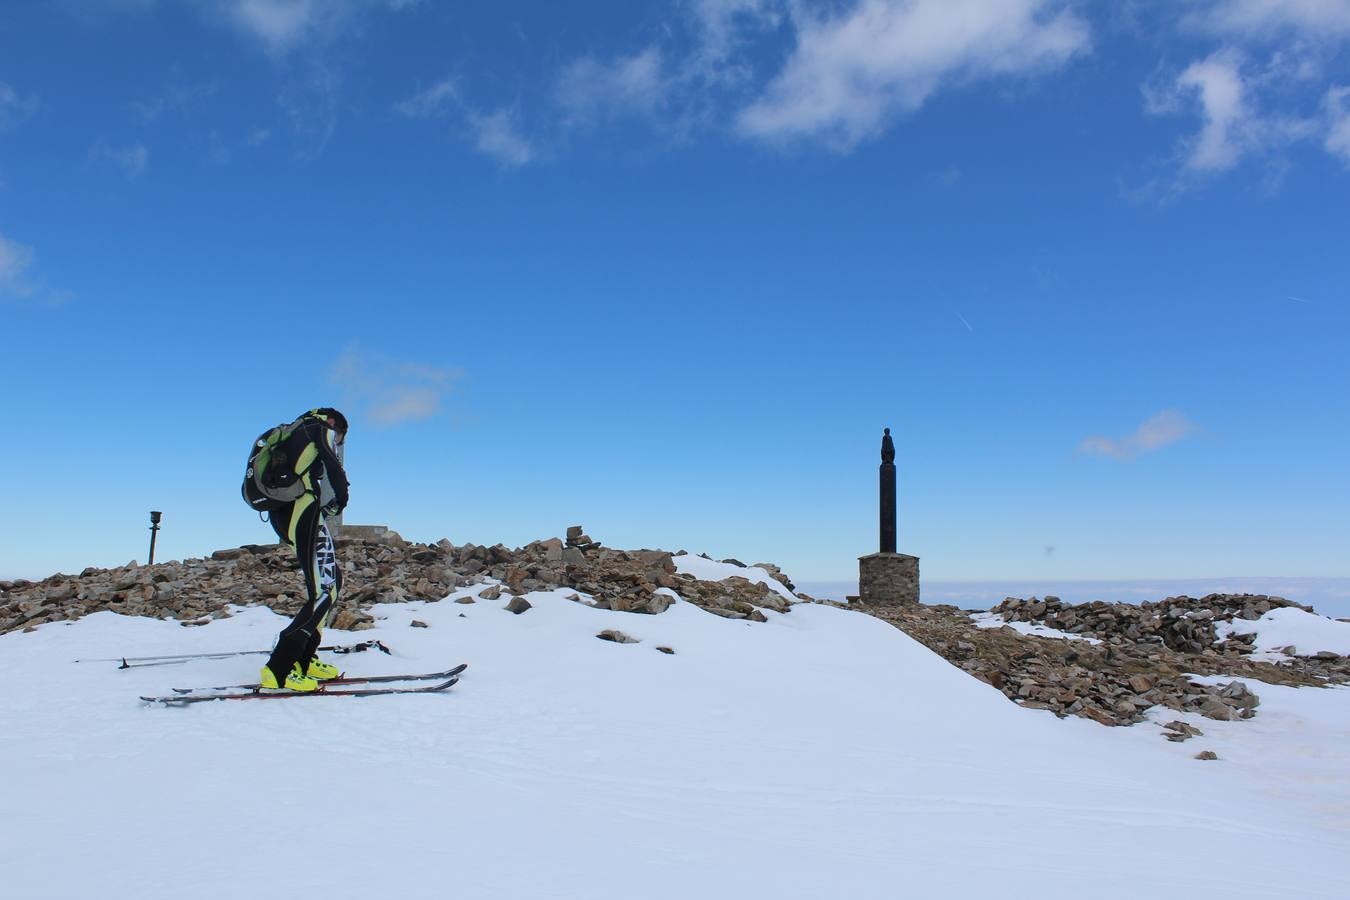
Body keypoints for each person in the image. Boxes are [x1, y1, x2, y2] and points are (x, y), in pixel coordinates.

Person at [259, 407, 351, 692]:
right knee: (324, 591)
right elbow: (334, 467)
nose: (337, 442)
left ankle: (304, 658)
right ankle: (279, 669)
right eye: (340, 436)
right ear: (332, 422)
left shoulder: (293, 431)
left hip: (285, 513)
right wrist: (342, 498)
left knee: (332, 580)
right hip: (304, 509)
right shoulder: (316, 428)